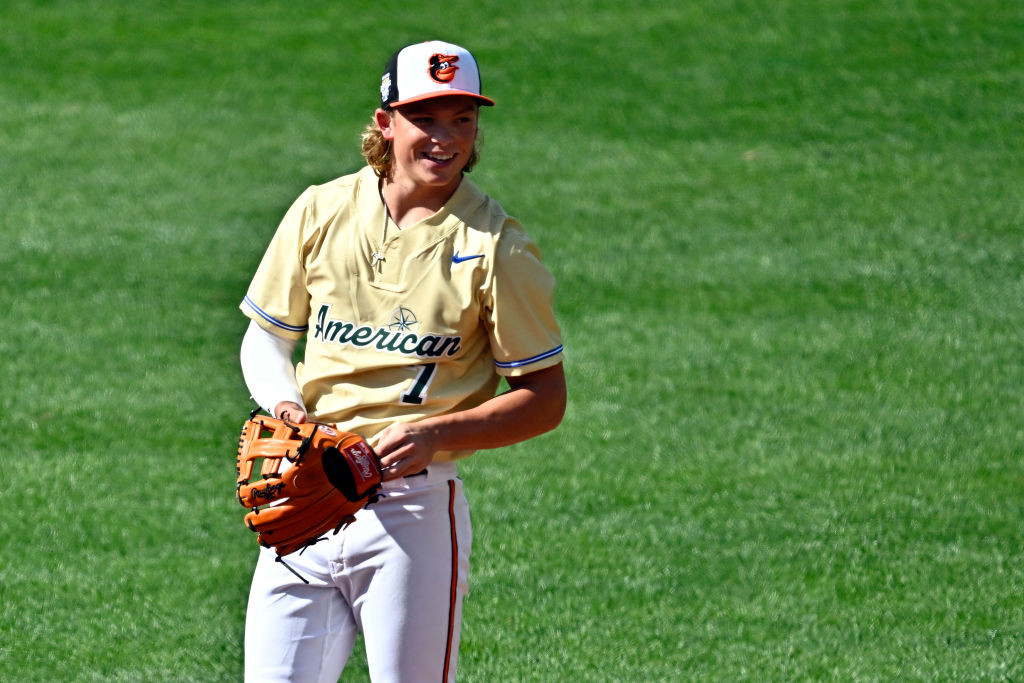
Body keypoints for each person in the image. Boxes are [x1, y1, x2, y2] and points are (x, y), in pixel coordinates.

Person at [238, 40, 566, 682]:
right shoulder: (321, 209)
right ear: (386, 123)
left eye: (462, 120)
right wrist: (286, 409)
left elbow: (544, 398)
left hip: (411, 517)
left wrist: (436, 434)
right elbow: (266, 339)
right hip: (305, 491)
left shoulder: (497, 247)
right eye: (426, 119)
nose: (445, 139)